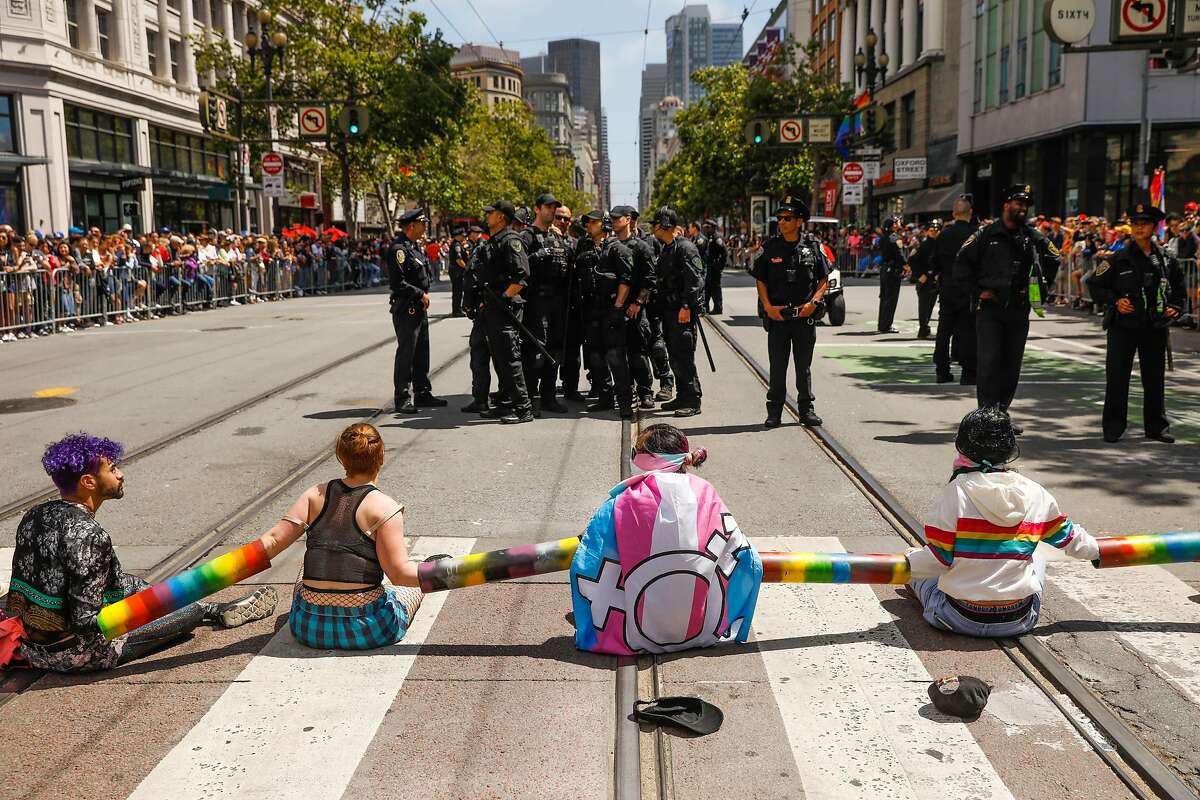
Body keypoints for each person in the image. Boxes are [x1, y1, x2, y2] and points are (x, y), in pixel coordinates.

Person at [4, 434, 276, 672]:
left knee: (145, 589)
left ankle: (214, 609)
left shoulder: (35, 515)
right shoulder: (89, 535)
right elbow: (86, 623)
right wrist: (150, 609)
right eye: (112, 469)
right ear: (89, 482)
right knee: (187, 613)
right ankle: (204, 611)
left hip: (32, 647)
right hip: (75, 656)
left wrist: (158, 594)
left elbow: (110, 583)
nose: (120, 474)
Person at [906, 406, 1099, 637]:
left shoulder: (956, 492)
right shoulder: (1035, 492)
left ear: (961, 446)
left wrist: (910, 559)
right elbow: (1072, 539)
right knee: (1036, 554)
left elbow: (939, 560)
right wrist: (1098, 551)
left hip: (957, 617)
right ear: (1010, 449)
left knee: (923, 575)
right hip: (1019, 620)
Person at [250, 423, 426, 650]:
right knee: (408, 588)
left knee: (306, 571)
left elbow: (273, 541)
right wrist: (444, 570)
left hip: (309, 627)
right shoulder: (386, 508)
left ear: (341, 459)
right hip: (368, 630)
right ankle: (430, 566)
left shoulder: (315, 495)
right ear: (381, 456)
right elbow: (400, 574)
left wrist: (210, 575)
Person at [954, 184, 1060, 426]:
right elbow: (961, 264)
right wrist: (978, 291)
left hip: (1018, 308)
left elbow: (1055, 256)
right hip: (990, 309)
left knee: (1011, 364)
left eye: (1025, 204)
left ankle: (1001, 413)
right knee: (989, 361)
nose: (1022, 208)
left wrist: (1040, 287)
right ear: (1006, 205)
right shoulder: (986, 234)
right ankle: (986, 415)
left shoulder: (1032, 236)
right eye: (1018, 203)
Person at [1086, 203, 1185, 444]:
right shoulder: (1117, 258)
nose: (1139, 228)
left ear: (1153, 227)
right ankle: (1113, 427)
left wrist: (1175, 308)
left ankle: (1156, 427)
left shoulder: (1166, 259)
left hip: (1155, 326)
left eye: (1144, 223)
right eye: (1135, 223)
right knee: (1117, 377)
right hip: (1123, 327)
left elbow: (1179, 292)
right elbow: (1094, 284)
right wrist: (1115, 301)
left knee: (1154, 378)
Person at [752, 194, 830, 428]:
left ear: (799, 221)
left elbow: (825, 278)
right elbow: (760, 279)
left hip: (804, 318)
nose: (782, 222)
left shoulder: (813, 246)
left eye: (787, 218)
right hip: (778, 318)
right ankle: (774, 411)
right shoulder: (769, 247)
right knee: (777, 367)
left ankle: (806, 410)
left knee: (803, 367)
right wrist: (767, 307)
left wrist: (813, 303)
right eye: (780, 218)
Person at [477, 200, 534, 424]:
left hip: (505, 310)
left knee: (510, 360)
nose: (487, 216)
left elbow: (521, 276)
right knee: (500, 360)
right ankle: (507, 403)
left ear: (501, 217)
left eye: (491, 213)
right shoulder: (495, 241)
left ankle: (524, 409)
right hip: (494, 309)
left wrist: (503, 298)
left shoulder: (511, 241)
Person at [386, 208, 446, 415]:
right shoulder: (399, 250)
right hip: (407, 307)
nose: (425, 226)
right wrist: (420, 293)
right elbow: (397, 283)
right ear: (412, 225)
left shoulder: (414, 247)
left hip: (419, 307)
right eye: (423, 223)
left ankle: (422, 392)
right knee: (407, 353)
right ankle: (402, 397)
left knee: (422, 352)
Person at [521, 193, 572, 414]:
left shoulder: (557, 237)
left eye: (554, 208)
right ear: (537, 209)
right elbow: (518, 268)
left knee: (554, 350)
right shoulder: (527, 236)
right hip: (536, 301)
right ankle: (531, 397)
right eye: (548, 207)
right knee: (536, 350)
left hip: (558, 302)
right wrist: (537, 255)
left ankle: (549, 396)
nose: (552, 211)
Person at [651, 207, 705, 417]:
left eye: (656, 224)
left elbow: (694, 281)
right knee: (675, 356)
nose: (654, 228)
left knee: (684, 357)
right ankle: (682, 396)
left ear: (663, 225)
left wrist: (686, 306)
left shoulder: (686, 248)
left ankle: (692, 399)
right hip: (669, 312)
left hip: (681, 313)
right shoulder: (667, 248)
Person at [612, 205, 658, 411]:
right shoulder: (611, 246)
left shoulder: (641, 247)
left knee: (638, 352)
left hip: (635, 310)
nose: (613, 222)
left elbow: (650, 279)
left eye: (617, 218)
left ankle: (645, 390)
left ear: (628, 219)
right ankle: (624, 390)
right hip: (615, 308)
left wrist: (638, 303)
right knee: (618, 353)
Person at [932, 196, 978, 384]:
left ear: (953, 214)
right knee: (968, 331)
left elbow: (934, 262)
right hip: (968, 289)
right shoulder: (977, 234)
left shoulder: (944, 234)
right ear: (971, 213)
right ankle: (969, 373)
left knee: (944, 330)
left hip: (948, 288)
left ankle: (942, 370)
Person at [909, 220, 941, 339]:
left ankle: (925, 328)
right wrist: (919, 275)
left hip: (934, 280)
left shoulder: (939, 244)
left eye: (937, 230)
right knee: (924, 307)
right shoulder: (923, 245)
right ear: (927, 231)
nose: (934, 232)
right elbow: (912, 260)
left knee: (930, 306)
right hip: (925, 280)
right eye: (932, 230)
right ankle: (923, 330)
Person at [876, 217, 906, 333]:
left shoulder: (883, 237)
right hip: (893, 271)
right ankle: (886, 325)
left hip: (885, 269)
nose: (899, 223)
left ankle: (882, 324)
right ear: (893, 225)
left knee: (884, 298)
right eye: (897, 221)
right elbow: (900, 255)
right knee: (891, 299)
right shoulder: (895, 238)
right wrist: (906, 265)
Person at [700, 219, 728, 314]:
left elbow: (724, 253)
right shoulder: (709, 237)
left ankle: (718, 308)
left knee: (715, 288)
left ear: (712, 228)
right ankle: (705, 307)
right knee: (708, 287)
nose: (706, 229)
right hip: (710, 267)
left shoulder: (717, 238)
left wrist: (720, 267)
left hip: (715, 268)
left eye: (708, 228)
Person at [448, 228, 469, 317]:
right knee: (458, 291)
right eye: (462, 236)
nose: (463, 237)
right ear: (458, 236)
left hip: (456, 271)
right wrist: (467, 267)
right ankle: (457, 311)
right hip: (457, 272)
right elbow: (459, 260)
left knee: (458, 291)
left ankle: (457, 309)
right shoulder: (456, 245)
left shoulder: (457, 244)